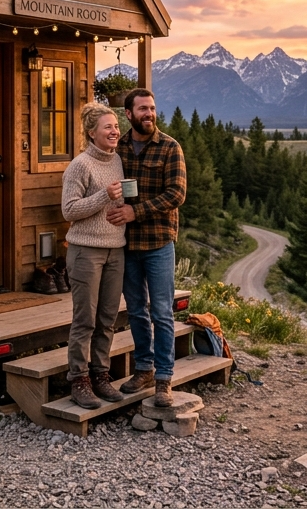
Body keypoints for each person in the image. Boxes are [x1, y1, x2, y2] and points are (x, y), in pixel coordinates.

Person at [108, 88, 186, 407]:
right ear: (129, 114)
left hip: (158, 243)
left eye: (152, 108)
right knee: (137, 310)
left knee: (162, 312)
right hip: (127, 244)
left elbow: (176, 194)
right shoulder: (119, 149)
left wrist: (135, 211)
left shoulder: (169, 147)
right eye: (142, 109)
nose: (149, 114)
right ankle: (144, 369)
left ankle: (164, 379)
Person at [59, 102, 127, 409]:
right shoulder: (80, 165)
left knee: (108, 319)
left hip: (116, 249)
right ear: (92, 133)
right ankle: (79, 380)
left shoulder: (119, 162)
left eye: (116, 126)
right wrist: (104, 196)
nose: (115, 132)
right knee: (84, 320)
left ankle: (101, 375)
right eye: (108, 127)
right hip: (86, 251)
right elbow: (69, 210)